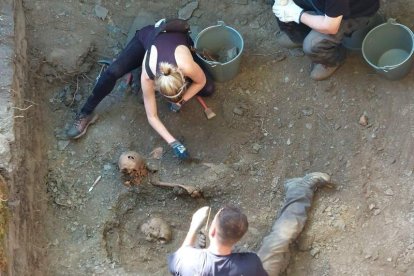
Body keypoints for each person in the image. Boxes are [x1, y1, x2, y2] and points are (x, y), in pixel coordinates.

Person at [66, 20, 215, 160]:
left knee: (208, 88)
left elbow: (200, 81)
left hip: (174, 38)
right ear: (157, 87)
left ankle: (139, 75)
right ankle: (85, 113)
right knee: (112, 72)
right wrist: (174, 143)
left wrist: (182, 100)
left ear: (183, 78)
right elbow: (152, 116)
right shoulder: (148, 76)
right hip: (148, 38)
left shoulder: (186, 66)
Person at [168, 172, 332, 276]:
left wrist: (194, 227)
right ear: (238, 239)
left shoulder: (187, 260)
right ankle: (299, 189)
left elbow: (179, 259)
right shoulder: (250, 263)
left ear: (212, 231)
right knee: (278, 240)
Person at [271, 0, 380, 80]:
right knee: (281, 5)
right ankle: (300, 36)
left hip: (353, 14)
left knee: (313, 45)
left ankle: (333, 60)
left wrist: (297, 14)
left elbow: (330, 27)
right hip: (324, 5)